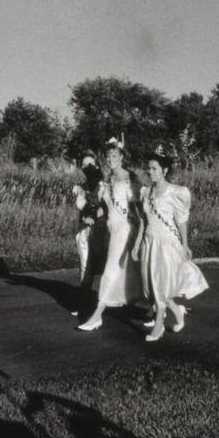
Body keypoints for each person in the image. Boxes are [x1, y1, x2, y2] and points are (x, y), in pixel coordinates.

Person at [135, 148, 208, 342]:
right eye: (148, 169)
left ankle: (158, 326)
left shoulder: (175, 192)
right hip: (149, 243)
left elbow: (181, 219)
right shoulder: (145, 192)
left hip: (167, 244)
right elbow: (143, 220)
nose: (150, 172)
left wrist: (185, 244)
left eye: (154, 168)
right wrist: (136, 245)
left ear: (164, 170)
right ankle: (177, 312)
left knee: (161, 285)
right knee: (150, 287)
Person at [77, 137, 142, 331]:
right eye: (108, 156)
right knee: (135, 272)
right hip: (111, 230)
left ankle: (97, 315)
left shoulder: (130, 179)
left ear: (121, 157)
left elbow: (138, 209)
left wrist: (139, 237)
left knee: (111, 270)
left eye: (115, 155)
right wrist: (90, 215)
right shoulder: (107, 181)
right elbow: (106, 209)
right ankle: (165, 307)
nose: (111, 159)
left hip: (126, 231)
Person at [72, 152, 106, 301]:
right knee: (85, 265)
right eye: (84, 165)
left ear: (96, 166)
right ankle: (84, 301)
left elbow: (105, 207)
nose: (86, 167)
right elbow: (80, 205)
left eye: (89, 164)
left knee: (103, 265)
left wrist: (93, 215)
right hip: (84, 230)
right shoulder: (82, 187)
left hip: (99, 230)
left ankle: (105, 301)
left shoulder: (103, 186)